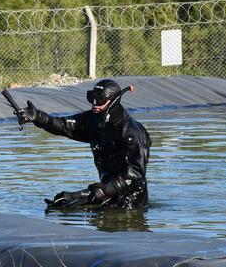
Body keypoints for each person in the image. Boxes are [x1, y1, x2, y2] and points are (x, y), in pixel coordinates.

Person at [15, 79, 151, 208]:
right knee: (63, 203)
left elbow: (136, 175)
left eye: (100, 100)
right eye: (93, 99)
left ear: (113, 101)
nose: (94, 104)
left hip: (132, 200)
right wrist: (38, 117)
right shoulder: (93, 120)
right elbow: (63, 126)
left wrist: (102, 191)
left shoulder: (131, 132)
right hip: (105, 190)